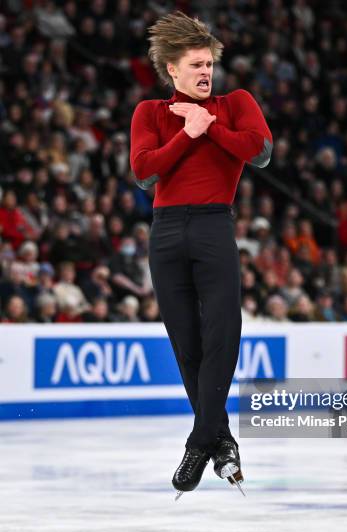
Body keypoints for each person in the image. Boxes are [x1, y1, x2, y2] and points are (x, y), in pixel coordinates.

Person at [129, 11, 273, 498]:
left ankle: (199, 441)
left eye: (209, 63)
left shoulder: (235, 104)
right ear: (172, 69)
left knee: (223, 337)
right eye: (196, 65)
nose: (206, 72)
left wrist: (209, 126)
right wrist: (186, 132)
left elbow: (260, 151)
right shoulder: (150, 113)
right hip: (166, 234)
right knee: (186, 344)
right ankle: (223, 441)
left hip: (214, 227)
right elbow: (145, 172)